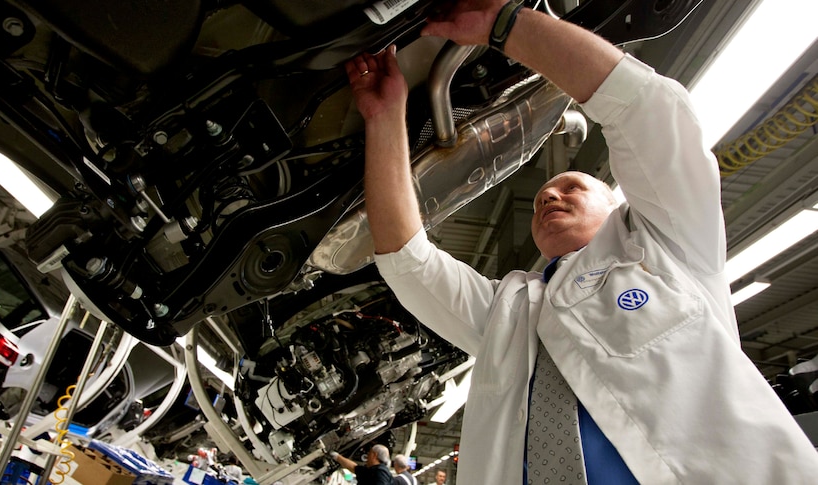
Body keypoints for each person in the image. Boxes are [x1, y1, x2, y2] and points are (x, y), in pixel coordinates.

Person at [344, 0, 818, 484]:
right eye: (541, 198)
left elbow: (650, 111)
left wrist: (505, 24)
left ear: (616, 204)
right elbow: (407, 262)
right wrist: (385, 116)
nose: (548, 194)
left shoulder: (670, 248)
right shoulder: (507, 313)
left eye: (572, 188)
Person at [329, 444, 393, 485]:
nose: (367, 456)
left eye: (369, 453)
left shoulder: (381, 472)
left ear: (374, 455)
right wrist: (336, 456)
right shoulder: (371, 471)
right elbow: (353, 467)